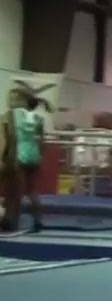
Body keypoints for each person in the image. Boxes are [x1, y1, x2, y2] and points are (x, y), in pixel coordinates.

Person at [1, 90, 49, 233]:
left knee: (15, 193)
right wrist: (39, 157)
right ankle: (38, 221)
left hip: (16, 156)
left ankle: (12, 223)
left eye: (12, 98)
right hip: (33, 156)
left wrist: (1, 158)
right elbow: (42, 141)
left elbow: (3, 141)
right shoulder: (38, 118)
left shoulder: (8, 116)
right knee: (32, 191)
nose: (9, 101)